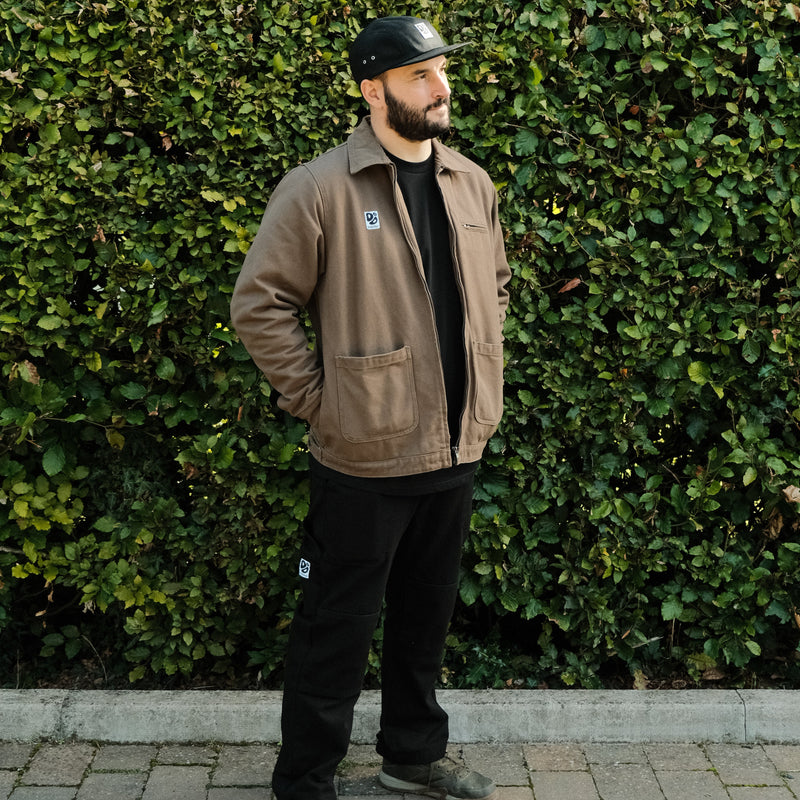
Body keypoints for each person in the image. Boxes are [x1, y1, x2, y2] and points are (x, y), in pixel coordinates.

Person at [230, 15, 510, 800]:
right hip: (362, 455)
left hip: (456, 447)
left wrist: (483, 376)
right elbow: (260, 305)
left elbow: (494, 287)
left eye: (442, 70)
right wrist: (320, 401)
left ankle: (412, 755)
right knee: (335, 630)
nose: (441, 86)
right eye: (421, 74)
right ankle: (307, 779)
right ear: (372, 88)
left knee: (426, 623)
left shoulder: (471, 182)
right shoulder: (320, 187)